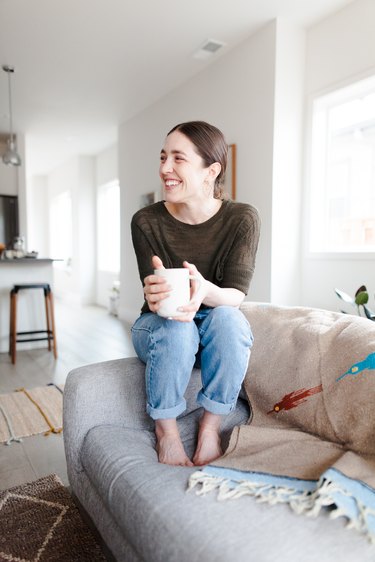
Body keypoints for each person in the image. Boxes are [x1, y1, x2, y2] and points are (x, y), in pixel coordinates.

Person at [131, 120, 260, 467]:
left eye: (177, 159)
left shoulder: (242, 218)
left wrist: (204, 290)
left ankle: (209, 428)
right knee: (177, 327)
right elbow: (154, 296)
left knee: (229, 320)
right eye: (162, 157)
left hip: (214, 320)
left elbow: (236, 295)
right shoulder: (146, 221)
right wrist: (158, 296)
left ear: (211, 171)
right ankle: (167, 433)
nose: (164, 169)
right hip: (158, 324)